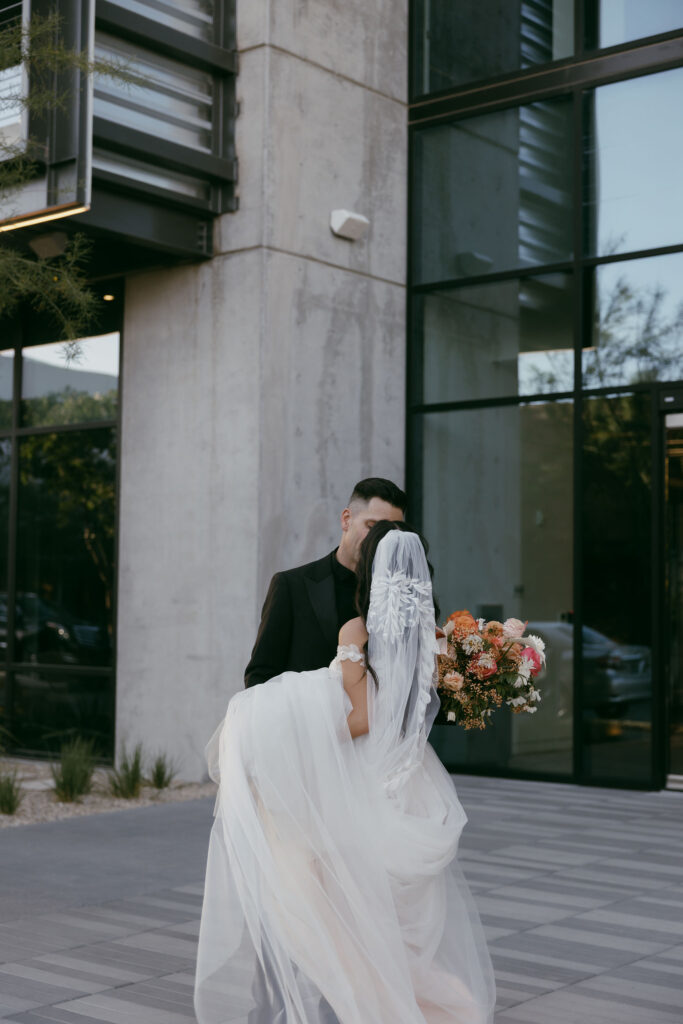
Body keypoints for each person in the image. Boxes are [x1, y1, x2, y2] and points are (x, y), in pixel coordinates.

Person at [194, 521, 496, 1023]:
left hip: (363, 779)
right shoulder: (431, 638)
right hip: (412, 779)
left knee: (330, 916)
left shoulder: (357, 630)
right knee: (393, 933)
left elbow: (360, 718)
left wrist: (297, 732)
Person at [244, 478, 406, 687]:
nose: (379, 539)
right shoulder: (291, 586)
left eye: (390, 532)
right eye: (371, 526)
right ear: (346, 519)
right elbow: (259, 676)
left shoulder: (402, 597)